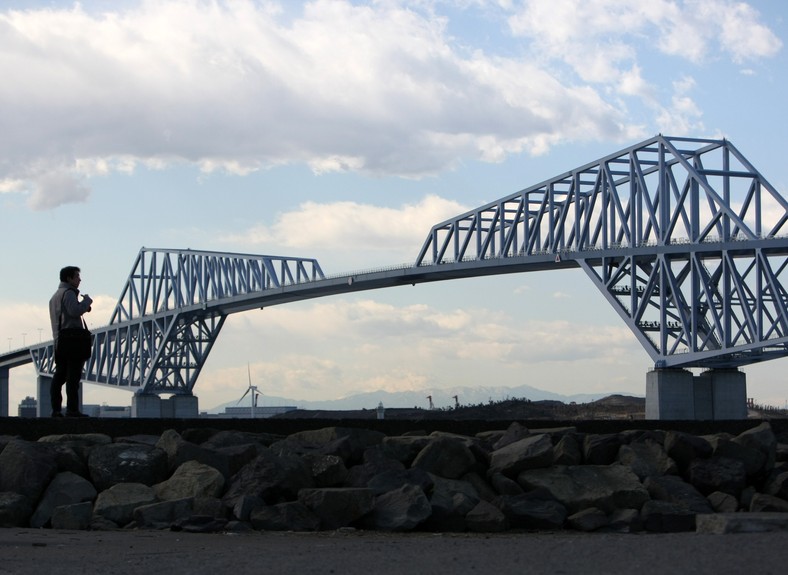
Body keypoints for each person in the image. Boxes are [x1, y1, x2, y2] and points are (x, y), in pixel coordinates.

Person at [48, 266, 93, 418]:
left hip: (59, 341)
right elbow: (74, 311)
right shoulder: (68, 294)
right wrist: (86, 302)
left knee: (60, 375)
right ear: (69, 279)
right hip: (72, 340)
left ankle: (56, 410)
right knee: (73, 377)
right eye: (77, 277)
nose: (79, 280)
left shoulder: (55, 296)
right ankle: (72, 410)